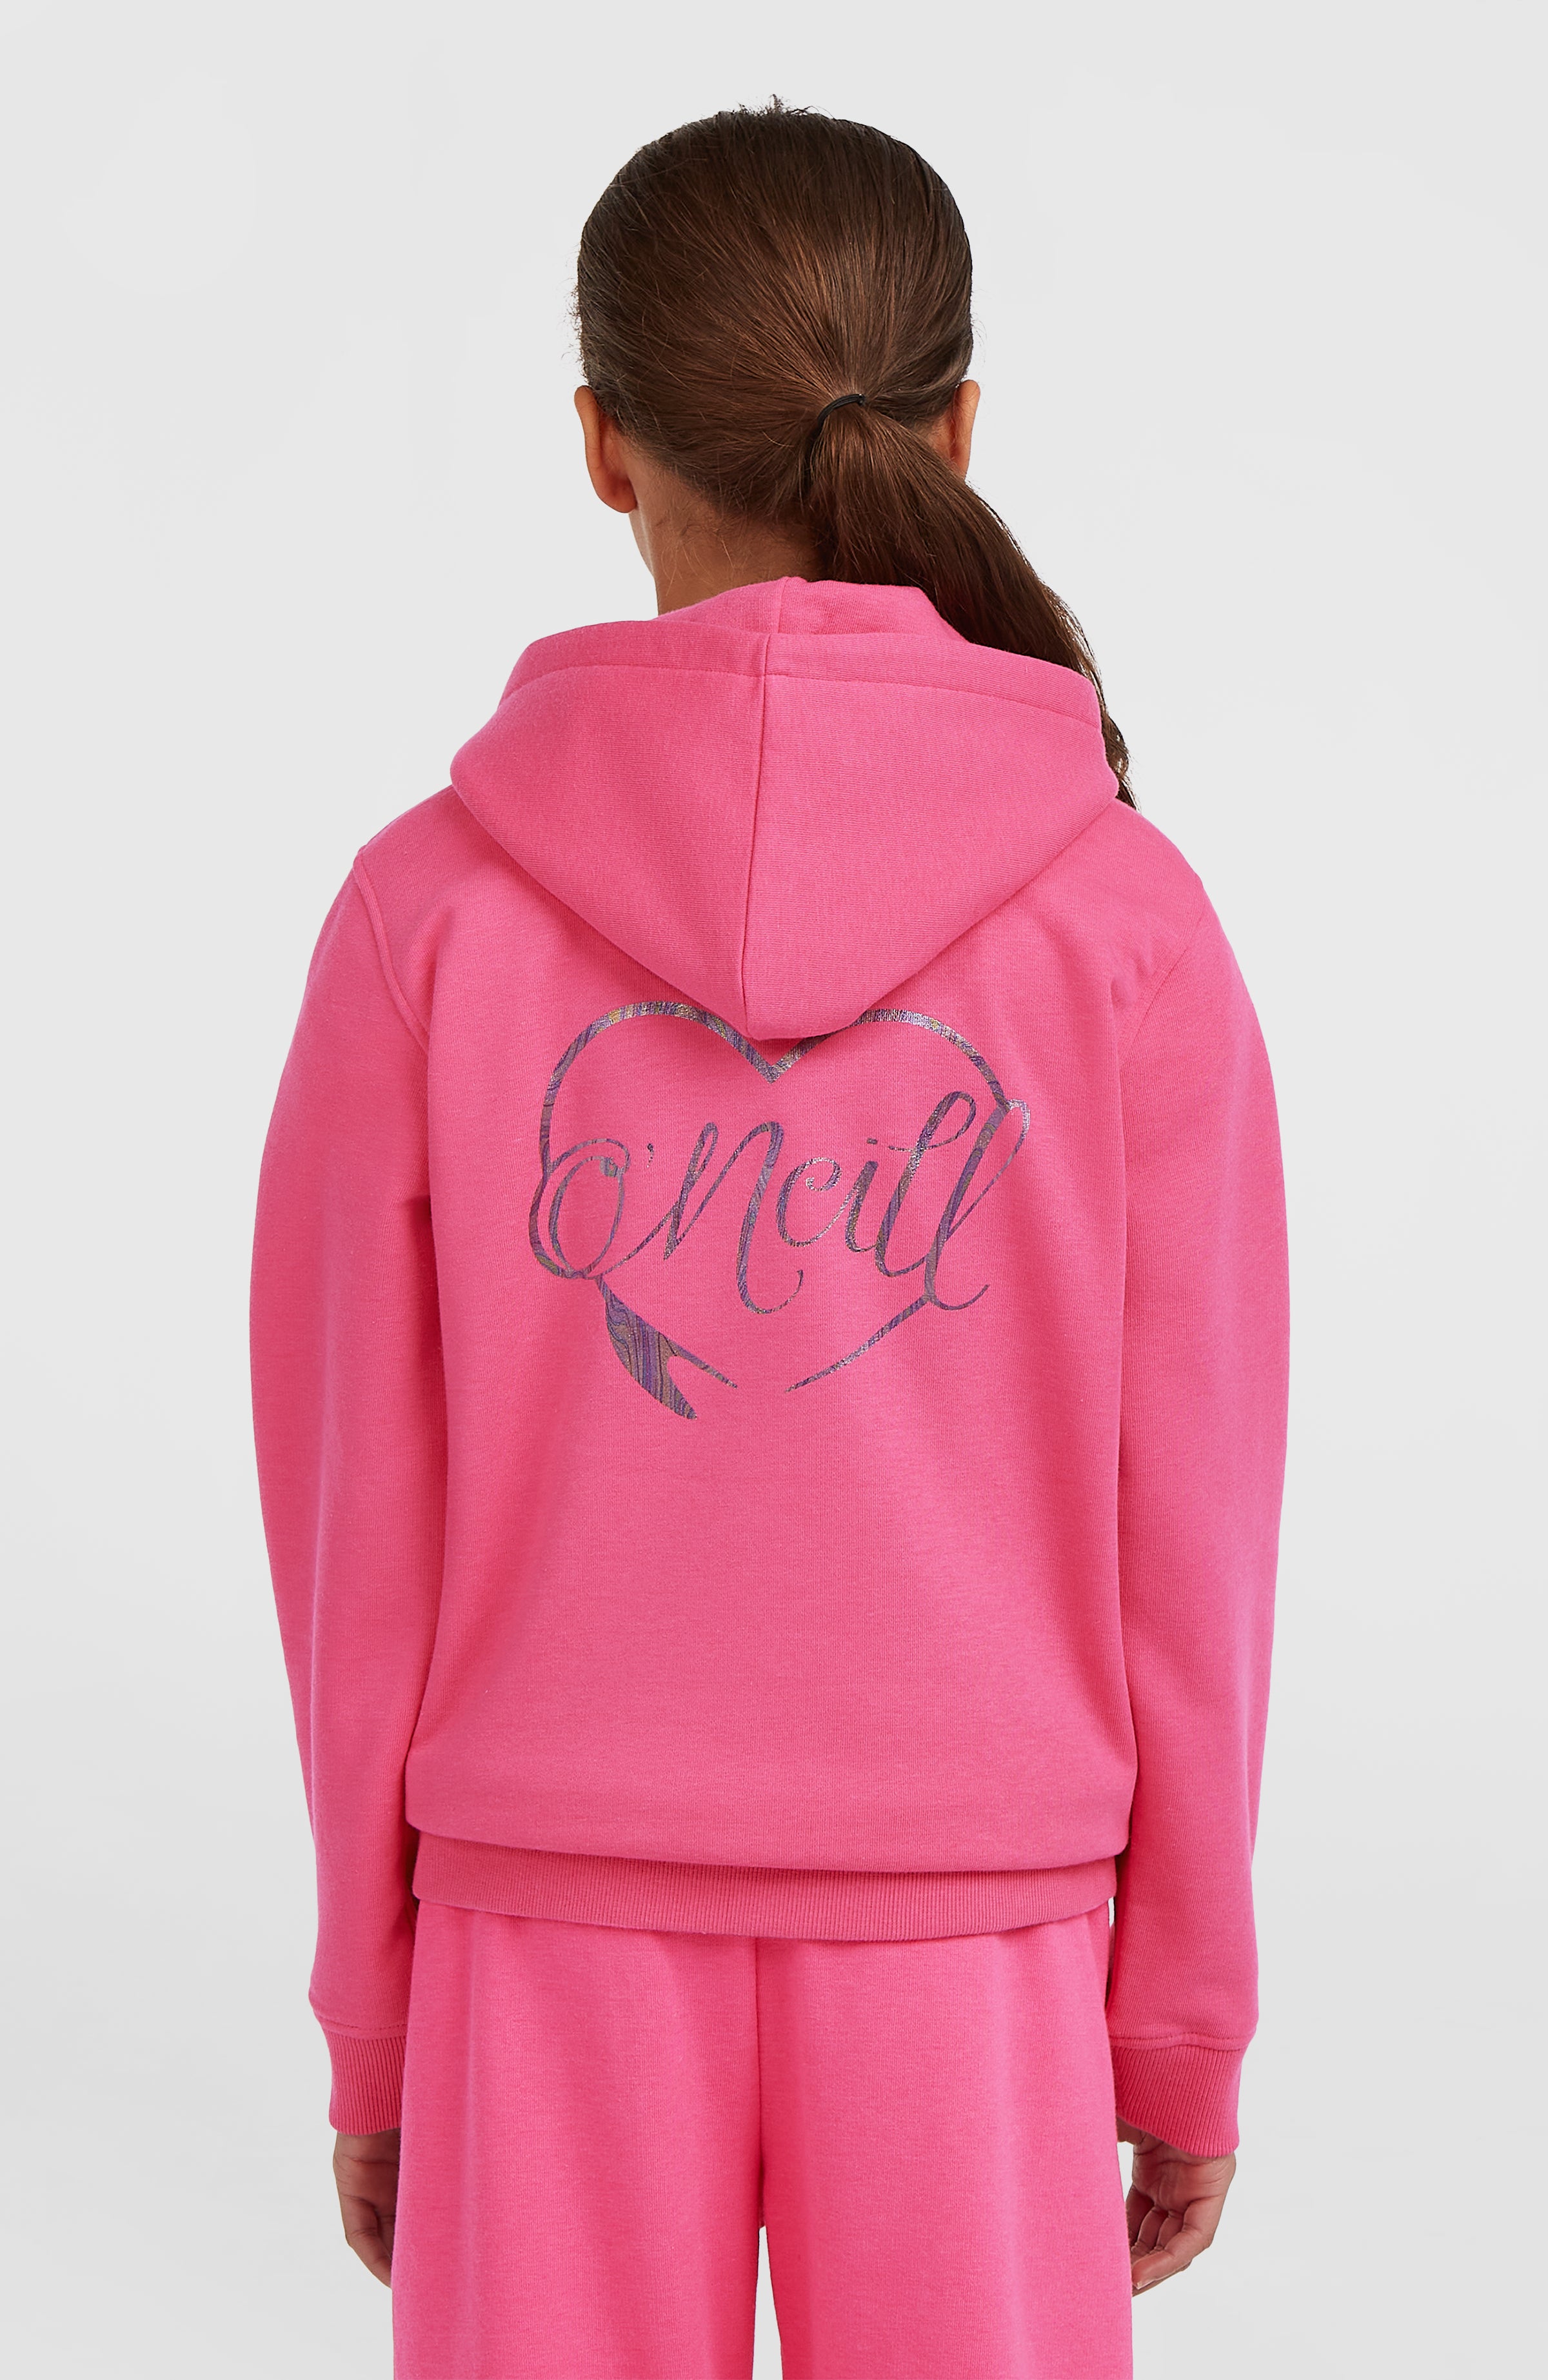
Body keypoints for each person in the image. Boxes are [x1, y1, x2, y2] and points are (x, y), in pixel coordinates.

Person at [252, 101, 1288, 2380]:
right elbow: (1192, 1539)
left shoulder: (424, 919)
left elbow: (355, 1545)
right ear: (956, 428)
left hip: (539, 1926)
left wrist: (378, 2011)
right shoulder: (1126, 927)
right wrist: (1182, 2016)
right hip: (978, 1938)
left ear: (605, 444)